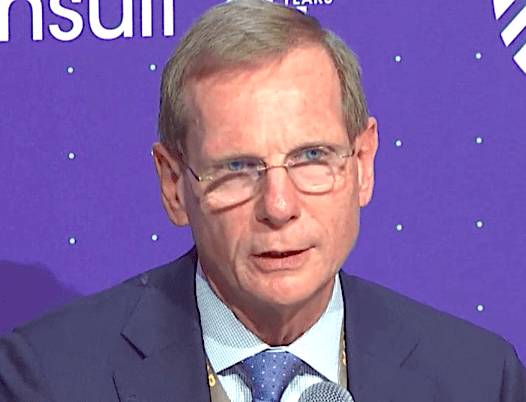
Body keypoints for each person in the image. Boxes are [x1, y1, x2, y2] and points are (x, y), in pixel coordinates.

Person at [1, 0, 525, 401]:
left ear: (362, 164)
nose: (278, 206)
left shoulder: (479, 379)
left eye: (312, 156)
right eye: (236, 168)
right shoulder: (50, 378)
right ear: (173, 184)